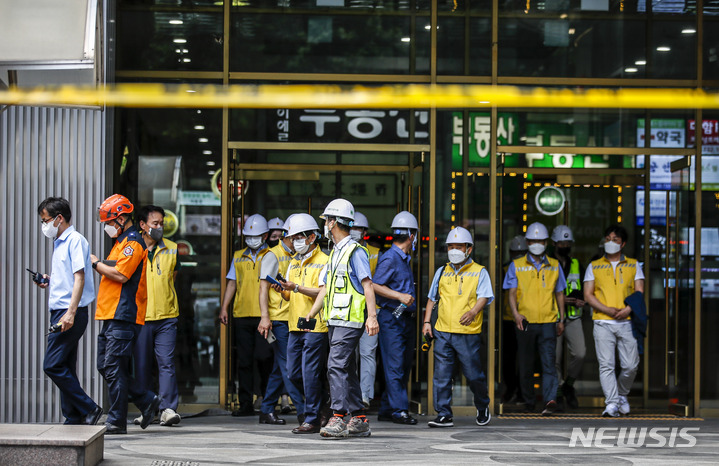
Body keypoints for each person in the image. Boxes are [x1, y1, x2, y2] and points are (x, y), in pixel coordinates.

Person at [305, 198, 379, 439]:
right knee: (347, 368)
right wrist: (311, 314)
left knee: (335, 366)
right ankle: (358, 419)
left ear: (333, 221)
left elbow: (368, 285)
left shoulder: (356, 252)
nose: (325, 224)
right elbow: (325, 289)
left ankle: (338, 415)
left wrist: (372, 317)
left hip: (351, 320)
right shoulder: (334, 253)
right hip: (335, 320)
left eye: (326, 220)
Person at [91, 194, 161, 434]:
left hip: (124, 314)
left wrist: (94, 263)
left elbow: (121, 274)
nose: (107, 227)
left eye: (109, 222)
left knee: (112, 366)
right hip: (111, 314)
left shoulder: (133, 243)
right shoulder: (121, 243)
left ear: (121, 218)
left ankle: (117, 420)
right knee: (106, 365)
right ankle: (145, 400)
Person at [36, 197, 102, 426]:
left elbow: (80, 278)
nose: (44, 225)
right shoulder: (60, 242)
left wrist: (71, 313)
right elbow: (67, 280)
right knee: (64, 365)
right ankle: (73, 416)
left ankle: (89, 407)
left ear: (59, 218)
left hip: (69, 311)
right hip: (62, 310)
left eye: (45, 220)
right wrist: (48, 280)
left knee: (51, 365)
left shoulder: (75, 240)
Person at [422, 227, 493, 427]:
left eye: (458, 246)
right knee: (442, 375)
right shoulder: (441, 271)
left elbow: (485, 296)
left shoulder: (479, 271)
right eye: (450, 246)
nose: (454, 250)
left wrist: (473, 312)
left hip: (467, 333)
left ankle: (482, 405)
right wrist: (427, 322)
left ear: (468, 249)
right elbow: (431, 299)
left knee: (473, 375)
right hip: (443, 330)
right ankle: (444, 413)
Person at [503, 222, 565, 416]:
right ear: (528, 242)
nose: (536, 243)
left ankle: (550, 400)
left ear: (546, 243)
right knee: (526, 363)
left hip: (548, 320)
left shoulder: (554, 266)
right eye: (533, 241)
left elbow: (560, 293)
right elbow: (511, 293)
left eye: (540, 241)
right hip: (526, 321)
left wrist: (561, 318)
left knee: (549, 362)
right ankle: (529, 401)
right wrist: (516, 314)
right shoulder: (516, 265)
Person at [584, 225, 644, 417]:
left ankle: (621, 395)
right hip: (602, 322)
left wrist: (628, 309)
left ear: (623, 244)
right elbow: (588, 294)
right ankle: (611, 403)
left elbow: (639, 291)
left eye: (615, 240)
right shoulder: (594, 266)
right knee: (606, 365)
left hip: (627, 322)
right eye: (608, 239)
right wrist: (607, 310)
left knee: (630, 365)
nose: (611, 242)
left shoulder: (634, 265)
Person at [219, 214, 274, 417]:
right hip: (241, 314)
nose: (252, 239)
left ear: (265, 236)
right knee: (244, 361)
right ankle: (245, 404)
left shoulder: (271, 255)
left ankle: (268, 402)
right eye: (249, 236)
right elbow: (232, 283)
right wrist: (224, 307)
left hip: (264, 316)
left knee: (264, 358)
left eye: (256, 235)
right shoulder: (238, 256)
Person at [132, 205, 182, 427]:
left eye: (161, 223)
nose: (160, 227)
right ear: (143, 225)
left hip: (167, 315)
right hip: (140, 317)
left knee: (166, 363)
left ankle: (168, 409)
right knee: (142, 366)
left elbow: (174, 277)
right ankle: (147, 409)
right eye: (155, 223)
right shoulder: (132, 248)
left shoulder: (172, 248)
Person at [280, 213, 329, 434]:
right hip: (295, 324)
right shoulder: (293, 262)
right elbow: (290, 297)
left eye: (299, 236)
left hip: (315, 324)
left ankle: (312, 418)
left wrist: (296, 288)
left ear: (311, 237)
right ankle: (322, 405)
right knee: (293, 373)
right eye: (293, 237)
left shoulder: (324, 261)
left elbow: (322, 292)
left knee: (310, 373)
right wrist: (283, 290)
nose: (295, 241)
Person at [257, 215, 306, 426]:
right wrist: (265, 317)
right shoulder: (272, 255)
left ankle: (266, 410)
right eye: (299, 236)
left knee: (281, 367)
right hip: (278, 319)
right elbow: (262, 288)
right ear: (290, 235)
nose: (302, 239)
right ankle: (304, 412)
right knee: (289, 366)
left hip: (292, 317)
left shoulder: (296, 256)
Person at [374, 211, 418, 425]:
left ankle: (387, 408)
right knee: (395, 366)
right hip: (392, 318)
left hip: (404, 319)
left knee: (402, 365)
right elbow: (373, 285)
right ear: (412, 235)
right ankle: (399, 410)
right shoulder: (390, 257)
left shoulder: (403, 258)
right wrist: (399, 295)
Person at [551, 225, 585, 410]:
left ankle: (569, 384)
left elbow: (585, 288)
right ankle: (557, 392)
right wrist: (562, 299)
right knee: (554, 358)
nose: (565, 245)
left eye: (568, 242)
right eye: (562, 242)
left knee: (580, 353)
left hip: (573, 317)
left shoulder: (576, 264)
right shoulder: (548, 264)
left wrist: (580, 299)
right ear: (555, 243)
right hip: (553, 317)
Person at [351, 211, 381, 408]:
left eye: (358, 228)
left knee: (368, 353)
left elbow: (376, 282)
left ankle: (365, 396)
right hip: (350, 309)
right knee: (348, 355)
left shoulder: (377, 253)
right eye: (352, 227)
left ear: (364, 231)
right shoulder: (342, 250)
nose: (354, 231)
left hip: (371, 309)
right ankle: (349, 393)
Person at [501, 235, 527, 404]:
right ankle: (511, 388)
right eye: (515, 252)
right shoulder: (503, 269)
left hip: (525, 318)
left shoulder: (529, 269)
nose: (517, 255)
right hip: (508, 318)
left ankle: (523, 392)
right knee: (509, 358)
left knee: (525, 358)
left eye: (521, 252)